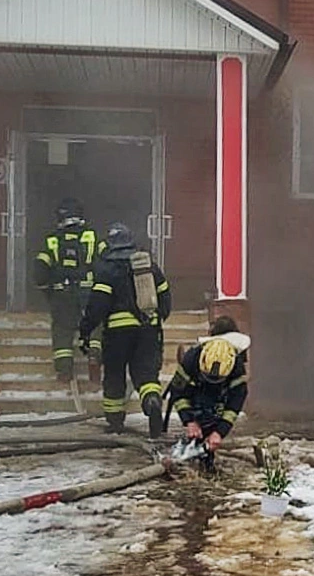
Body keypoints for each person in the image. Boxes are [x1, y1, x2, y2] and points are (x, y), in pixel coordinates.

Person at [79, 222, 171, 437]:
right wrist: (157, 320)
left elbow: (97, 306)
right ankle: (152, 401)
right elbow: (165, 297)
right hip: (148, 330)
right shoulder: (148, 266)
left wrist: (86, 330)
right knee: (146, 375)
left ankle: (115, 422)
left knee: (114, 375)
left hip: (117, 334)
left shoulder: (106, 270)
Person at [33, 197, 105, 388]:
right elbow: (105, 262)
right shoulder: (93, 237)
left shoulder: (52, 240)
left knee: (62, 329)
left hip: (61, 292)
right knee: (95, 324)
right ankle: (94, 356)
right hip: (89, 291)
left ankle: (64, 370)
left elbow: (40, 270)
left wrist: (46, 290)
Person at [167, 316, 250, 475]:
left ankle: (206, 460)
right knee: (199, 415)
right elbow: (178, 392)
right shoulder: (191, 359)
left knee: (213, 421)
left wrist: (219, 432)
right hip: (196, 389)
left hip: (220, 395)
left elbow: (235, 404)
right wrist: (189, 421)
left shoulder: (236, 366)